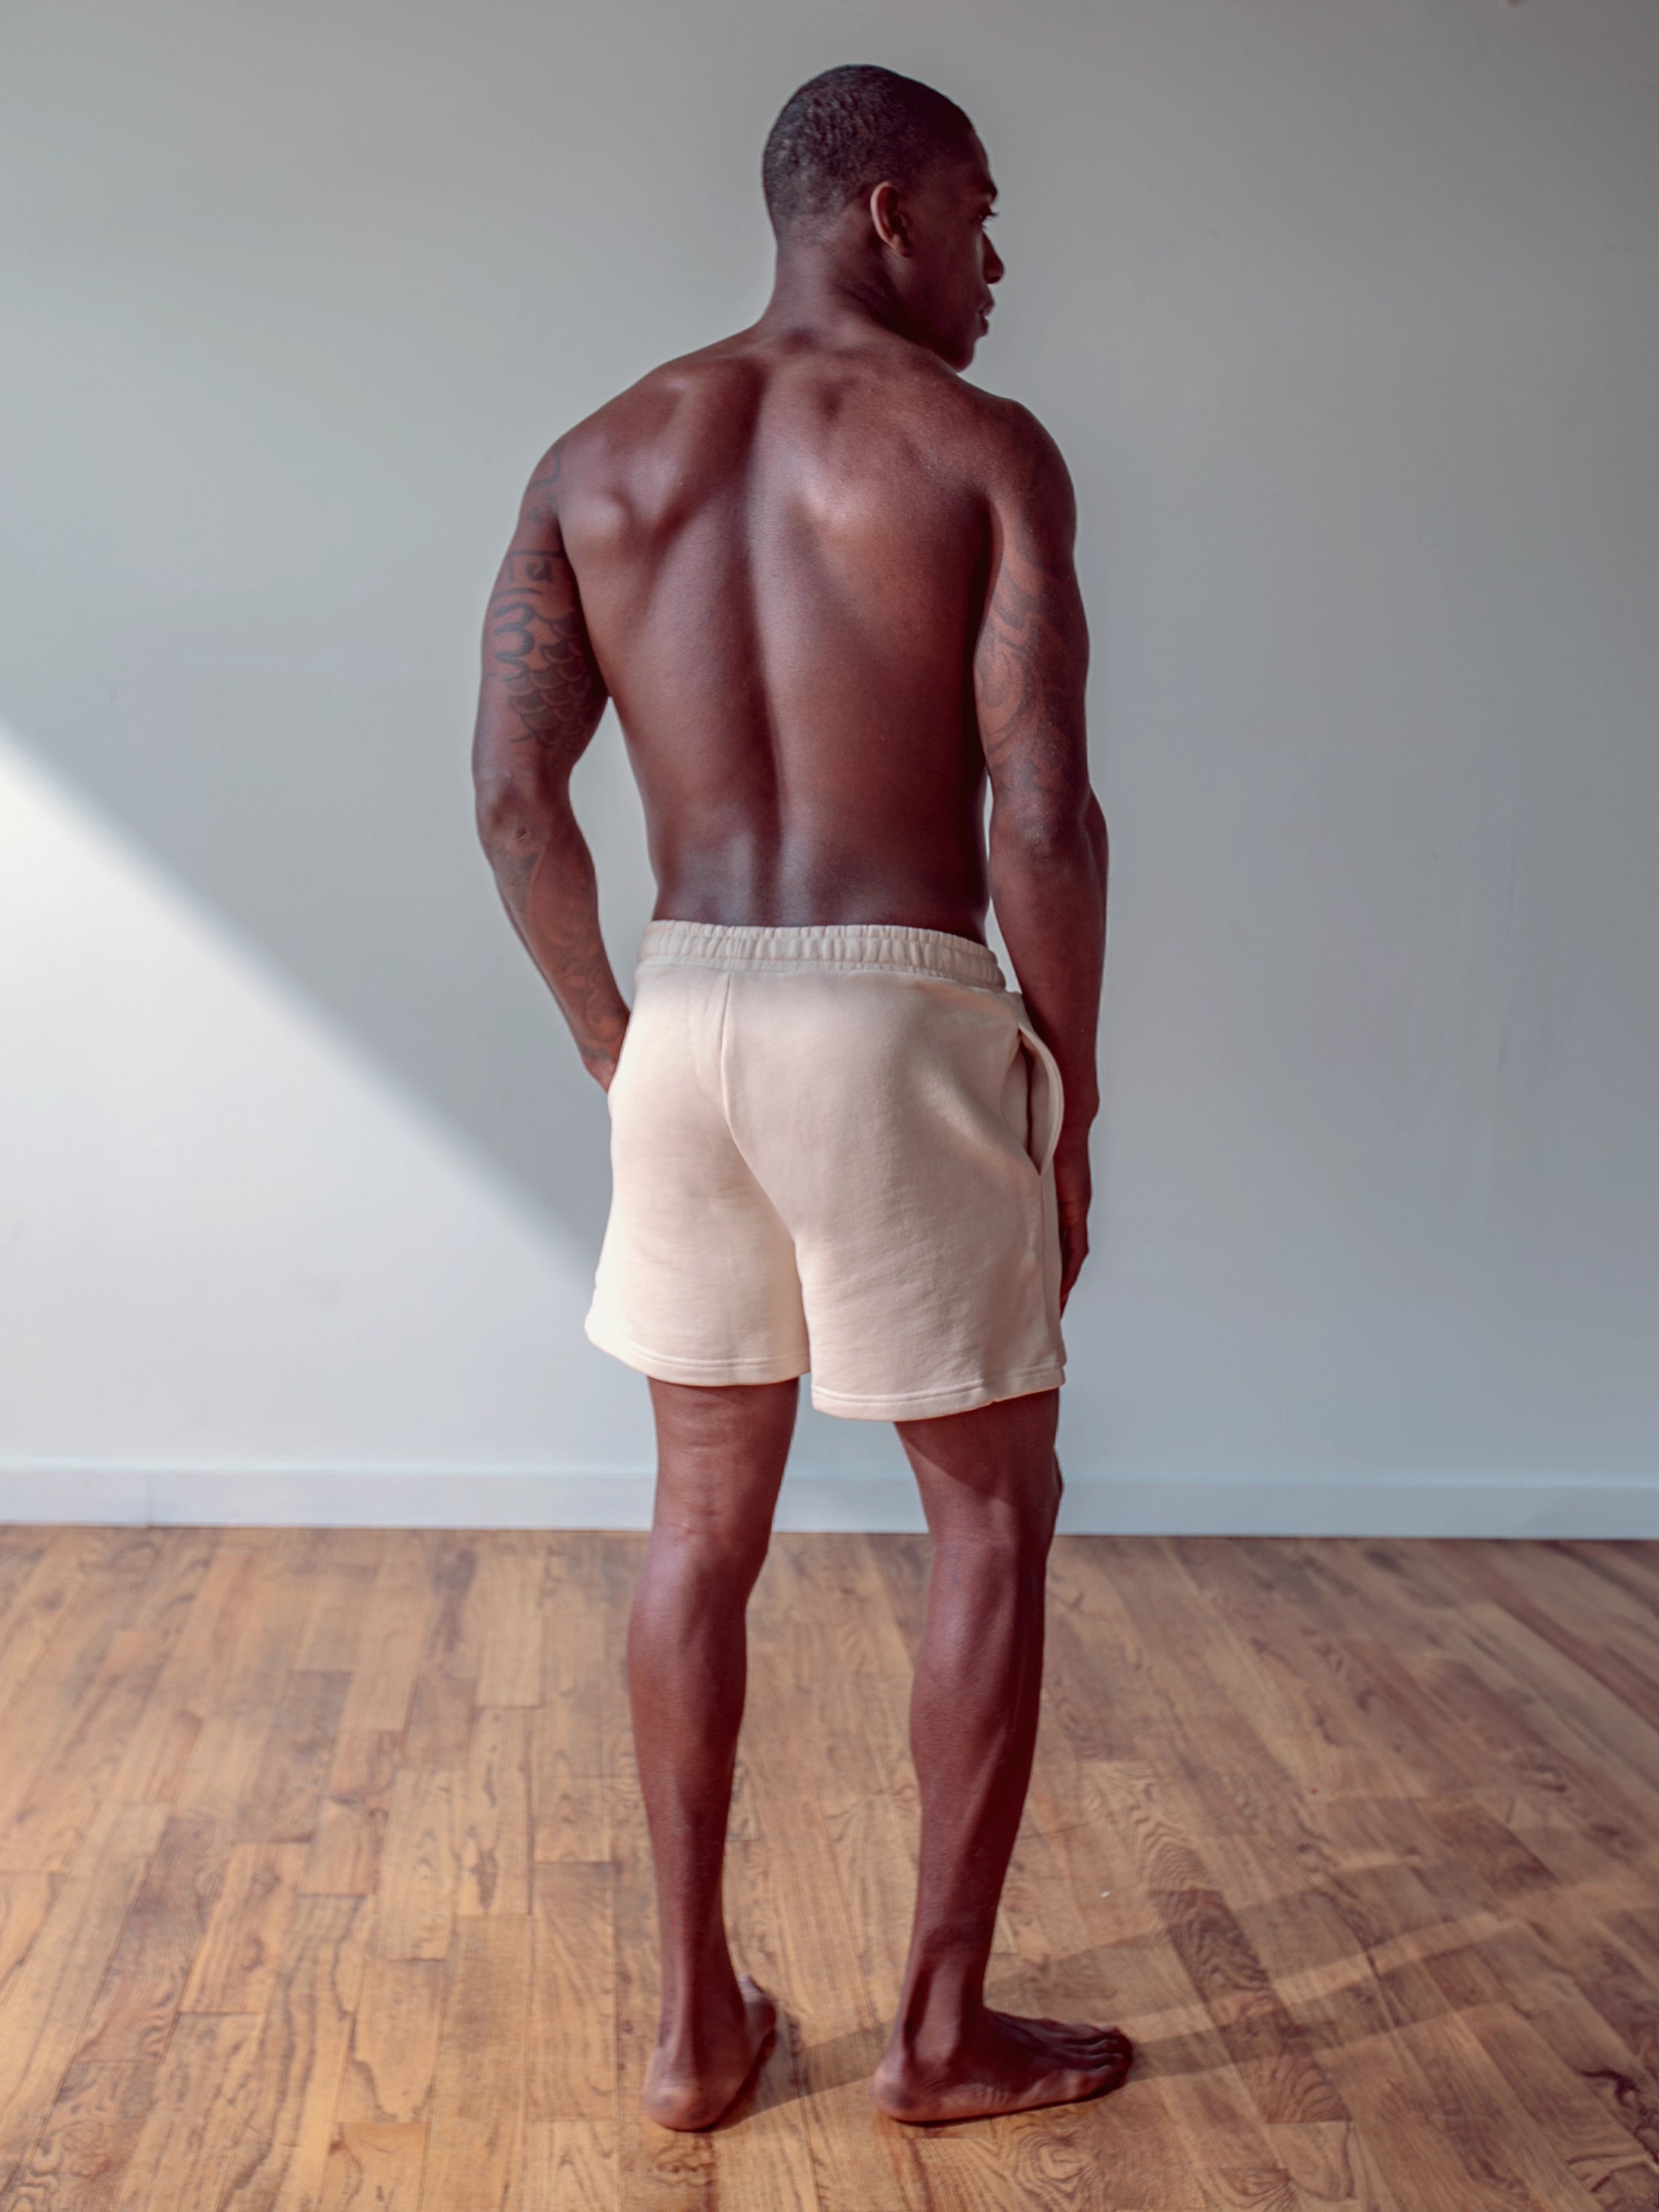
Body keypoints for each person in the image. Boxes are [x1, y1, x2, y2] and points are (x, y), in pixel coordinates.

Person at [472, 62, 1128, 2130]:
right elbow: (1042, 807)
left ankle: (694, 2036)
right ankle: (939, 2036)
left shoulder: (598, 457)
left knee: (697, 1524)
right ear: (875, 210)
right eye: (976, 211)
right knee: (992, 1510)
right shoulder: (981, 448)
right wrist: (1073, 1090)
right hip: (901, 1003)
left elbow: (512, 800)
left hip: (691, 1013)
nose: (997, 259)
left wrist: (610, 1033)